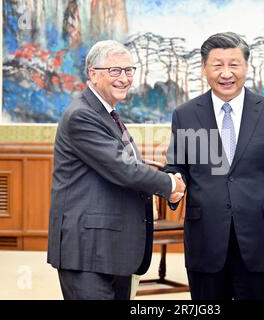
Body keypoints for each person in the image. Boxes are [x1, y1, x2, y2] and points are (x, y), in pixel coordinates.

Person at [165, 32, 264, 300]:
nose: (226, 73)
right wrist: (172, 183)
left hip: (261, 238)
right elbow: (177, 166)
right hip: (205, 237)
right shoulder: (185, 114)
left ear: (246, 66)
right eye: (217, 65)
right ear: (204, 68)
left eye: (234, 64)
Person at [47, 40, 185, 300]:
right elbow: (124, 170)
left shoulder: (106, 113)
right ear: (93, 74)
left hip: (111, 247)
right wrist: (170, 185)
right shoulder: (82, 115)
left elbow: (127, 167)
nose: (124, 78)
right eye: (115, 71)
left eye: (129, 70)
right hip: (87, 251)